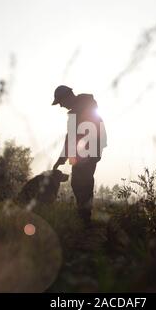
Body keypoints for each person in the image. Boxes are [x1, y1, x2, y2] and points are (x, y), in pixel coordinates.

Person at [52, 85, 107, 225]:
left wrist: (62, 158)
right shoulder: (82, 107)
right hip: (85, 150)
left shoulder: (81, 109)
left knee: (83, 182)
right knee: (79, 182)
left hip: (88, 150)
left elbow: (72, 137)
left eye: (60, 102)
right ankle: (84, 215)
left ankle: (84, 218)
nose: (61, 106)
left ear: (67, 96)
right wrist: (63, 158)